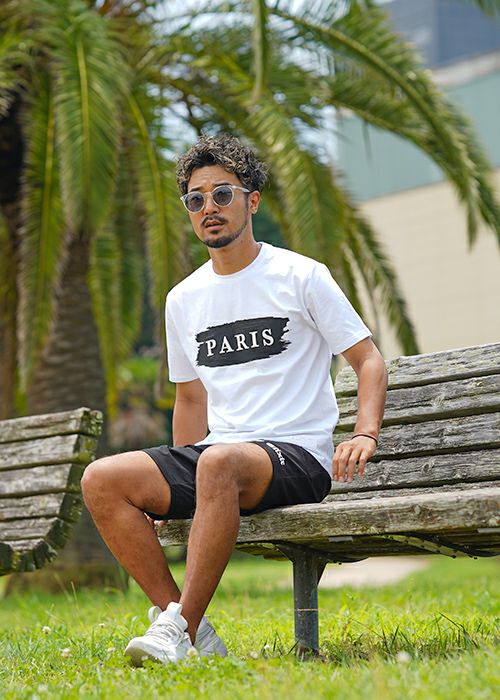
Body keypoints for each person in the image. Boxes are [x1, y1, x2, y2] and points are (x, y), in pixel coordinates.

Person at [81, 134, 388, 666]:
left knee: (219, 461)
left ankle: (176, 629)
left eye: (222, 194)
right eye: (195, 199)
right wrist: (178, 489)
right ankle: (188, 628)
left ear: (252, 200)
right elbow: (190, 399)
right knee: (101, 478)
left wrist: (365, 432)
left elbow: (369, 361)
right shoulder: (183, 298)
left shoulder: (301, 275)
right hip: (219, 458)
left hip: (297, 455)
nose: (209, 208)